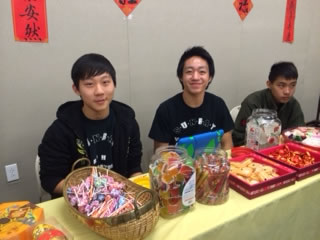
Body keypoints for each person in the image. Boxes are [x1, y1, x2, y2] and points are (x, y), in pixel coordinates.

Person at [38, 53, 143, 198]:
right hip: (79, 204)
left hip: (120, 200)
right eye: (89, 84)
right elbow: (51, 180)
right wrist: (93, 193)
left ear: (114, 84)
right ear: (76, 89)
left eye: (105, 82)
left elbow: (134, 168)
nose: (99, 91)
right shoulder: (60, 130)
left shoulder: (127, 121)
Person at [148, 46, 234, 152]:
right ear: (180, 76)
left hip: (208, 166)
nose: (195, 77)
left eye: (202, 72)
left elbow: (227, 145)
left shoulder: (218, 105)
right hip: (177, 167)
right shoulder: (166, 110)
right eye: (189, 71)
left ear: (210, 77)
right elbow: (161, 154)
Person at [232, 61, 305, 146]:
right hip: (254, 151)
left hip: (283, 151)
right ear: (269, 84)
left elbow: (299, 134)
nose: (287, 91)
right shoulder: (252, 102)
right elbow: (238, 138)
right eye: (281, 85)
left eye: (292, 85)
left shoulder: (293, 104)